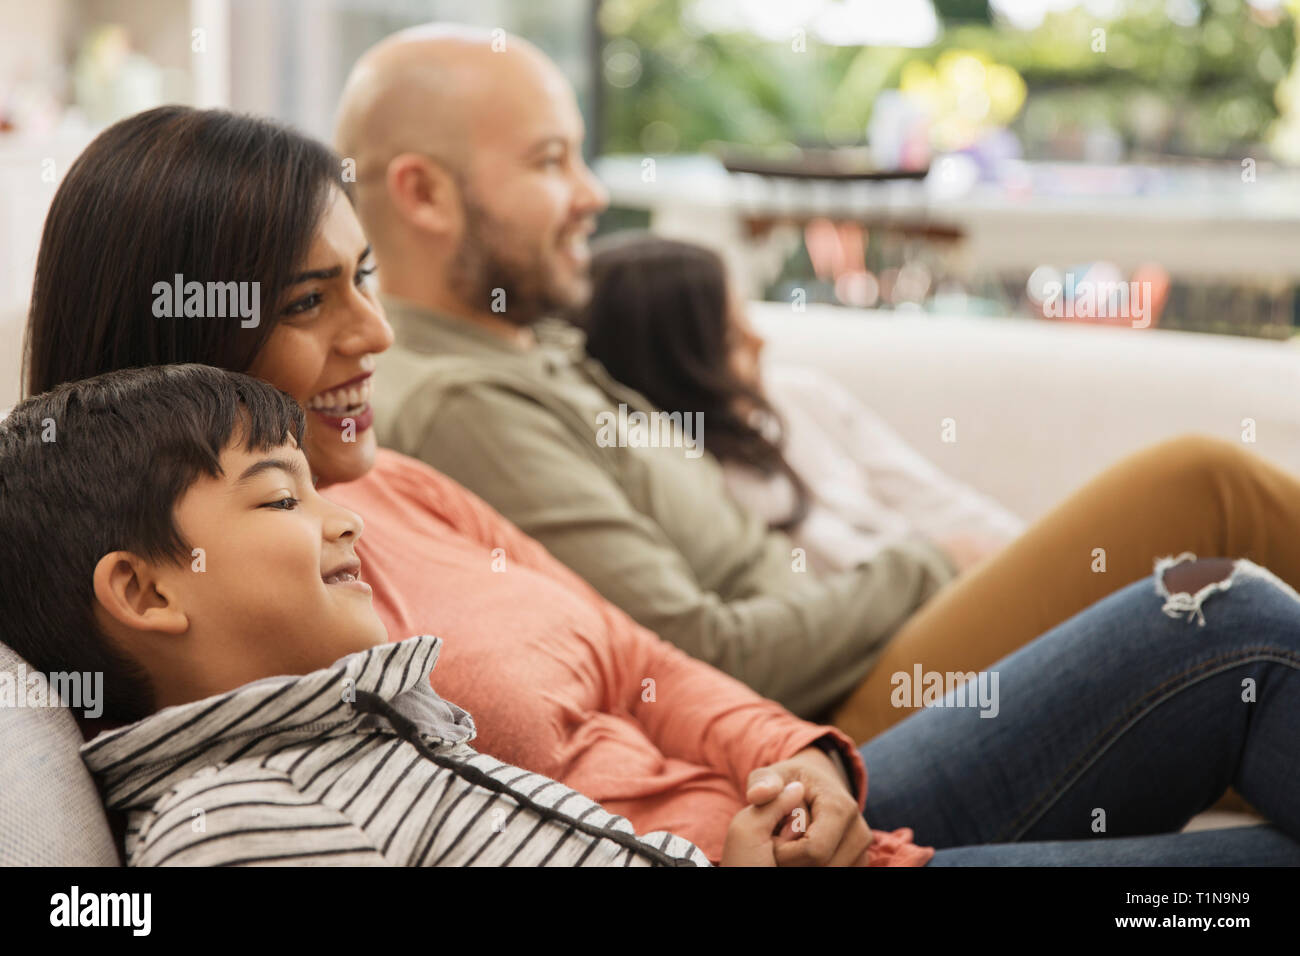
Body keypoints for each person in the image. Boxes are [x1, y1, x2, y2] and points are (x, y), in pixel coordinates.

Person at [336, 24, 1300, 744]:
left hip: (862, 661)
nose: (592, 193)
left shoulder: (526, 349)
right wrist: (926, 564)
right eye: (551, 161)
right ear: (422, 193)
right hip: (835, 716)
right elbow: (696, 654)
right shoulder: (465, 402)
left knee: (1232, 635)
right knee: (1203, 489)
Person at [24, 105, 910, 868]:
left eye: (363, 278)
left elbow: (646, 661)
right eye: (306, 303)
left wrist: (801, 758)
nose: (376, 333)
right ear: (177, 341)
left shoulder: (400, 484)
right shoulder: (265, 622)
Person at [7, 367, 1300, 866]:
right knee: (1225, 600)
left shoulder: (359, 714)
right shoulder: (242, 812)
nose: (371, 330)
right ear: (144, 587)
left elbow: (642, 658)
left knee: (1226, 620)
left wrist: (782, 773)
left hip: (768, 813)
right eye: (284, 495)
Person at [0, 363, 803, 867]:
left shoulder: (348, 740)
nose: (349, 523)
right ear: (146, 594)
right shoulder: (230, 824)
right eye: (282, 497)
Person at [579, 232, 1025, 578]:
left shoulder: (799, 397)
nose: (761, 342)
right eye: (732, 340)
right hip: (916, 629)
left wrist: (1028, 556)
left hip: (974, 583)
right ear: (675, 371)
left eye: (747, 319)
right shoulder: (696, 484)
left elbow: (932, 497)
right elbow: (838, 585)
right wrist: (948, 563)